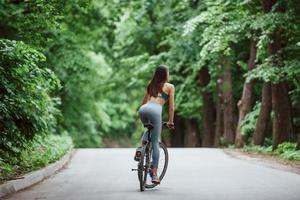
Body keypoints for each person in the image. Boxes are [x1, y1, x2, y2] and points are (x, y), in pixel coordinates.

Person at [134, 64, 175, 184]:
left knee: (148, 129)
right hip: (156, 111)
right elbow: (171, 107)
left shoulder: (150, 85)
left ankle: (140, 151)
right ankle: (155, 174)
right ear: (165, 74)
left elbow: (143, 103)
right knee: (155, 142)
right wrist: (171, 122)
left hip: (143, 110)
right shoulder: (170, 86)